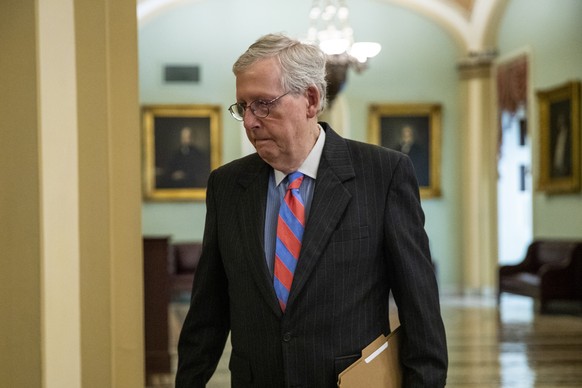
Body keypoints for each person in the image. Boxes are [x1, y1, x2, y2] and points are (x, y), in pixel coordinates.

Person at [176, 33, 448, 387]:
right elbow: (207, 313)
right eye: (243, 107)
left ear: (311, 99)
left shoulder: (382, 174)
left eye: (263, 104)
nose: (250, 122)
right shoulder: (227, 185)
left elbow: (420, 312)